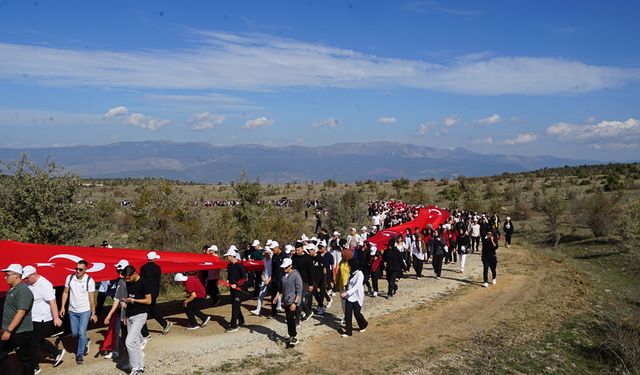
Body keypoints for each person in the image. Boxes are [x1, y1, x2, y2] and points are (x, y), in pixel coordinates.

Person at [22, 265, 65, 372]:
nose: (25, 280)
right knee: (37, 339)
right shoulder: (29, 283)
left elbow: (52, 302)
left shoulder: (44, 284)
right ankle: (56, 352)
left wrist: (56, 318)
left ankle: (34, 367)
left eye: (27, 277)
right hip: (32, 318)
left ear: (34, 274)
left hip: (43, 319)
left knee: (32, 342)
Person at [59, 259, 97, 364]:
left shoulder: (90, 280)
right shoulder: (70, 278)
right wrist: (62, 306)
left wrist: (93, 313)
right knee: (75, 333)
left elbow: (91, 298)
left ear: (85, 270)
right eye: (76, 269)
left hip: (85, 311)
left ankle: (79, 355)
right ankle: (85, 341)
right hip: (72, 311)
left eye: (80, 269)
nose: (78, 271)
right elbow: (65, 292)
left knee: (81, 332)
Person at [0, 264, 34, 375]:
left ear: (16, 276)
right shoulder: (12, 289)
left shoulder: (23, 290)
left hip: (20, 332)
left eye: (7, 275)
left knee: (25, 360)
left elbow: (21, 312)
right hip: (10, 331)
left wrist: (9, 330)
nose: (5, 277)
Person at [121, 265, 152, 375]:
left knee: (128, 342)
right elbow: (126, 301)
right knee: (135, 342)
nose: (127, 280)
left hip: (141, 314)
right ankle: (140, 366)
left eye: (128, 277)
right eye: (125, 278)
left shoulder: (144, 283)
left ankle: (134, 367)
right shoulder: (128, 283)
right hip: (130, 315)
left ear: (134, 274)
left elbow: (148, 301)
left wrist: (134, 300)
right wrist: (125, 315)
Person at [140, 251, 172, 338]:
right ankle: (164, 323)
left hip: (146, 292)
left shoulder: (143, 268)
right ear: (154, 259)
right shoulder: (158, 268)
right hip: (154, 292)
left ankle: (145, 333)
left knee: (143, 312)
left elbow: (142, 280)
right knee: (151, 310)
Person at [101, 259, 129, 360]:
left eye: (120, 270)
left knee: (127, 332)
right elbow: (116, 300)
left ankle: (132, 349)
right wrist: (109, 315)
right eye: (117, 270)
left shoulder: (132, 281)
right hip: (118, 311)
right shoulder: (118, 281)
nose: (119, 272)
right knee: (116, 331)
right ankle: (115, 351)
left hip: (129, 312)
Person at [273, 258, 302, 347]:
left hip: (292, 301)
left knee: (290, 319)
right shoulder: (284, 275)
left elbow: (299, 291)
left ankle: (293, 336)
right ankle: (291, 335)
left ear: (290, 266)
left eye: (286, 267)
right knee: (289, 319)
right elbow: (280, 288)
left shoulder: (296, 275)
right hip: (285, 301)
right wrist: (276, 297)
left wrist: (295, 303)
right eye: (283, 267)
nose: (284, 269)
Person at [341, 259, 368, 337]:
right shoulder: (351, 273)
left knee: (357, 313)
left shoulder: (360, 274)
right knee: (348, 314)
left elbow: (356, 287)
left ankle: (363, 324)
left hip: (357, 297)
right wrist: (346, 293)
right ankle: (348, 331)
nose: (348, 266)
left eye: (349, 265)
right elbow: (349, 284)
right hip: (349, 297)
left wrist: (346, 293)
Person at [224, 247, 247, 332]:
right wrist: (228, 281)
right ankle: (241, 321)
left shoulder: (239, 265)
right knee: (235, 305)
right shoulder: (229, 265)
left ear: (232, 256)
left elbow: (244, 278)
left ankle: (233, 325)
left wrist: (236, 284)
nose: (227, 257)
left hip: (239, 289)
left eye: (228, 256)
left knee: (235, 306)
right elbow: (229, 275)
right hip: (232, 289)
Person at [291, 241, 314, 324]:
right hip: (295, 280)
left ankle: (297, 320)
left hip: (305, 281)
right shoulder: (294, 257)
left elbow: (311, 272)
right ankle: (308, 312)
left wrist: (311, 284)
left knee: (299, 300)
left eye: (298, 250)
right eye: (296, 250)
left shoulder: (308, 258)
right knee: (296, 298)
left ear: (302, 249)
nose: (297, 252)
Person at [251, 247, 273, 316]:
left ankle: (277, 308)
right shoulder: (264, 260)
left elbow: (274, 272)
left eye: (266, 252)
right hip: (265, 280)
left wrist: (269, 279)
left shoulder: (272, 260)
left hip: (271, 280)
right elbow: (264, 270)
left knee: (275, 295)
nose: (264, 253)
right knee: (261, 295)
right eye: (264, 252)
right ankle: (258, 310)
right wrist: (262, 277)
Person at [269, 242, 285, 318]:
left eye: (273, 249)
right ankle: (273, 312)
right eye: (271, 249)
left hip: (283, 279)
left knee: (286, 296)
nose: (272, 251)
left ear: (277, 247)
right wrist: (271, 278)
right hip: (275, 279)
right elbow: (273, 268)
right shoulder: (274, 256)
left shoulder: (284, 255)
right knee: (273, 296)